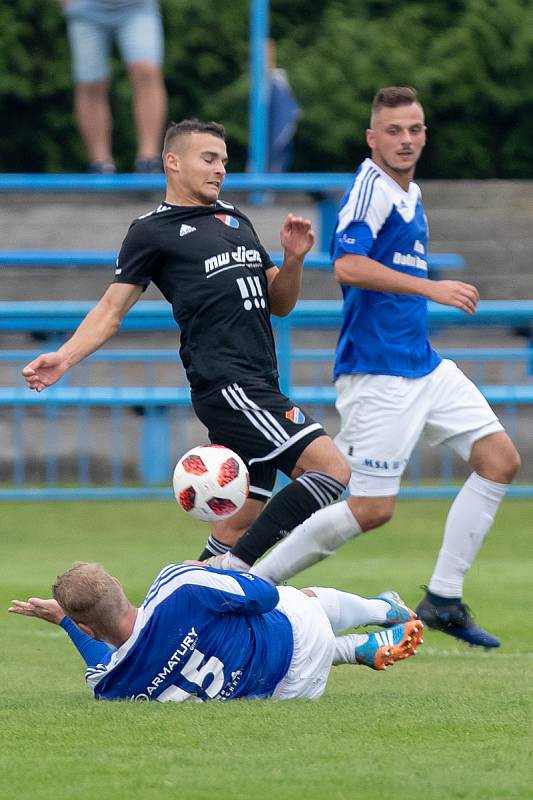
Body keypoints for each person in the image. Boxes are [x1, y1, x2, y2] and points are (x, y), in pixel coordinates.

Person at [250, 87, 521, 649]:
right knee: (369, 508)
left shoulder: (409, 190)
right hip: (378, 373)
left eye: (415, 129)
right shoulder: (369, 189)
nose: (406, 140)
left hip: (422, 366)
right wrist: (432, 287)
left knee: (499, 460)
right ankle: (251, 585)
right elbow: (347, 264)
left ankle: (443, 598)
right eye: (394, 131)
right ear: (372, 138)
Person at [22, 119, 350, 575]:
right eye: (209, 159)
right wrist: (66, 356)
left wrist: (294, 260)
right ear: (172, 162)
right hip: (230, 386)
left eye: (224, 162)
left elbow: (281, 303)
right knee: (331, 470)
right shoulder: (151, 231)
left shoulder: (237, 219)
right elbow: (111, 309)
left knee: (239, 523)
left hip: (257, 382)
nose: (219, 170)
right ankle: (238, 569)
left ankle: (180, 600)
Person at [8, 561, 424, 701]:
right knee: (298, 597)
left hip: (284, 694)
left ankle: (356, 649)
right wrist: (210, 573)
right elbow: (263, 597)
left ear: (86, 626)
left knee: (225, 636)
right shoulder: (177, 586)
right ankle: (384, 608)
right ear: (117, 584)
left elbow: (101, 661)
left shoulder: (110, 685)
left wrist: (65, 622)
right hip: (296, 638)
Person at [62, 0, 167, 172]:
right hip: (85, 9)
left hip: (137, 6)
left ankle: (149, 160)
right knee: (90, 83)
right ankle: (100, 164)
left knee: (146, 71)